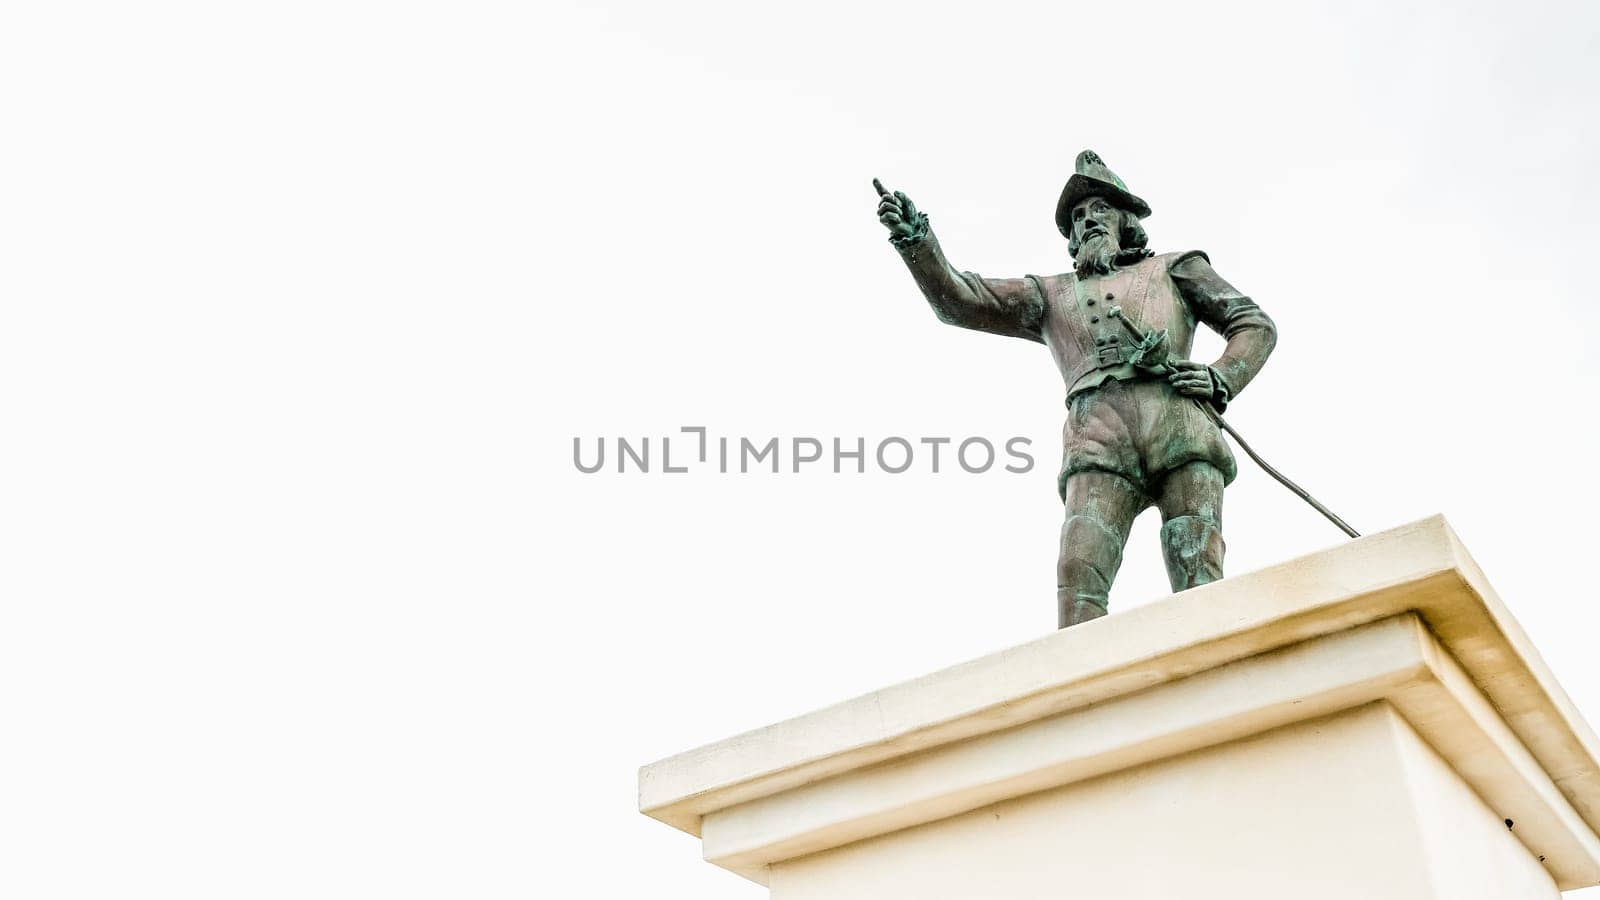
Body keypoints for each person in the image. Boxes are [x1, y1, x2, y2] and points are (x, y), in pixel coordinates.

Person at [876, 150, 1277, 627]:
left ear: (1125, 218)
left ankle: (1217, 668)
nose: (1087, 221)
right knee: (1078, 572)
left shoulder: (1176, 267)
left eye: (1099, 210)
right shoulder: (1050, 294)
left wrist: (1219, 376)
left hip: (1178, 423)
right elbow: (961, 300)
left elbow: (1253, 323)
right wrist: (917, 241)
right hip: (1098, 435)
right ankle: (1082, 691)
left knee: (1194, 562)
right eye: (1078, 217)